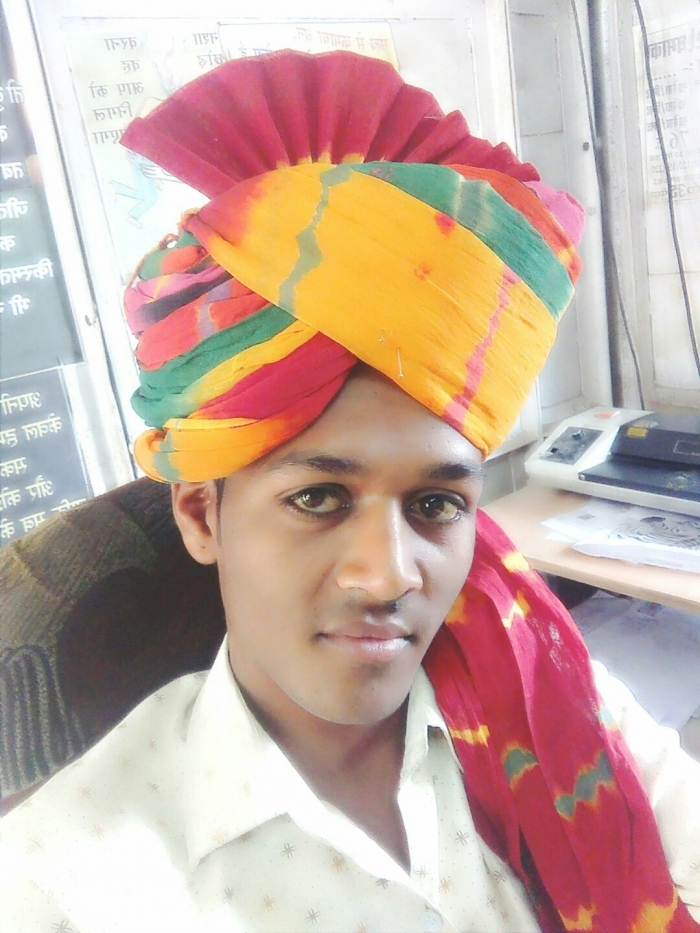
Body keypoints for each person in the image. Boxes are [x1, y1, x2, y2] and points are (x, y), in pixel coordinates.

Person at [1, 50, 699, 933]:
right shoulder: (63, 882)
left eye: (435, 504)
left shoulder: (547, 691)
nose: (389, 575)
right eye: (319, 499)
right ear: (201, 513)